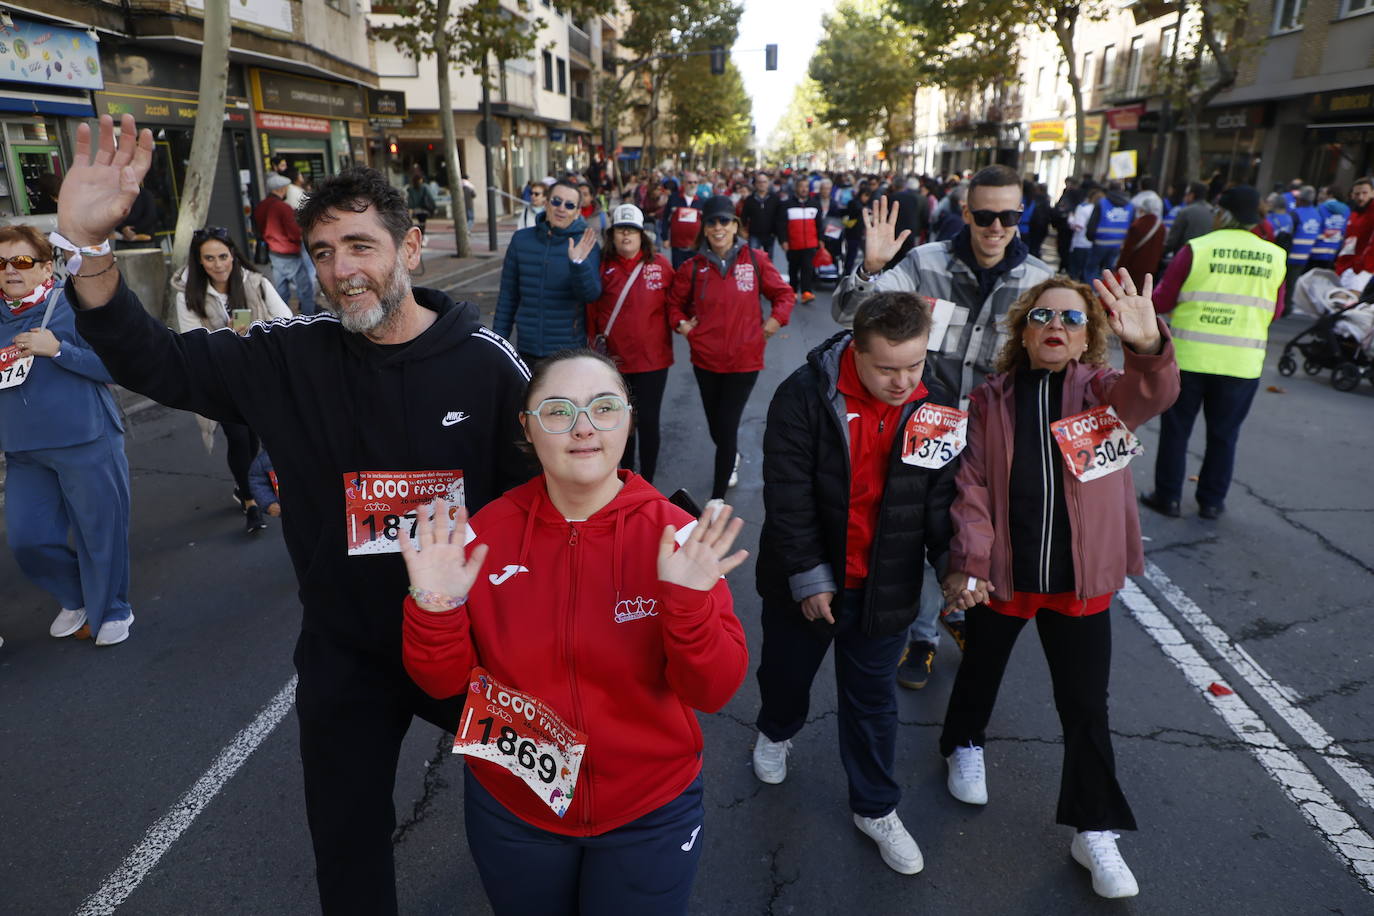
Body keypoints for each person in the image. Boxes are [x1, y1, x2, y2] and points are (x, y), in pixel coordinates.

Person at [58, 113, 531, 914]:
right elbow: (154, 361)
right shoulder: (289, 354)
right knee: (347, 844)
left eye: (360, 247)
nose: (341, 271)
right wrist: (90, 251)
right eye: (321, 253)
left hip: (470, 647)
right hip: (346, 655)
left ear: (409, 250)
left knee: (539, 800)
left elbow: (562, 502)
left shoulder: (489, 368)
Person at [399, 349, 749, 915]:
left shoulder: (677, 536)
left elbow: (714, 692)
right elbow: (440, 684)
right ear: (527, 428)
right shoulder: (483, 536)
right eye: (558, 411)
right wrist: (434, 605)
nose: (584, 427)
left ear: (629, 418)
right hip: (514, 805)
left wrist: (686, 607)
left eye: (604, 407)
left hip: (649, 812)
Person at [940, 271, 1179, 901]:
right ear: (1023, 330)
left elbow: (1153, 393)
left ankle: (1093, 828)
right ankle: (963, 743)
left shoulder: (1105, 392)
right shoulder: (989, 398)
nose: (1057, 327)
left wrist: (1149, 345)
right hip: (1007, 578)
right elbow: (971, 488)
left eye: (1073, 320)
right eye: (1043, 316)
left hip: (1080, 587)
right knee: (979, 671)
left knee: (1085, 709)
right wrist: (970, 561)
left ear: (1088, 338)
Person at [751, 291, 957, 876]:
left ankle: (875, 806)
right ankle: (775, 729)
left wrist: (953, 568)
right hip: (807, 577)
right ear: (854, 352)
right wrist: (810, 575)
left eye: (913, 366)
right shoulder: (804, 395)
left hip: (886, 582)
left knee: (872, 704)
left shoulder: (936, 400)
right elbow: (787, 496)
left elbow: (941, 499)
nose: (902, 381)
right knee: (787, 675)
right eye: (887, 368)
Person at [835, 163, 1054, 688]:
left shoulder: (1040, 284)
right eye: (984, 215)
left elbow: (1067, 360)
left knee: (977, 539)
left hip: (993, 440)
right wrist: (870, 269)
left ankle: (961, 620)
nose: (995, 227)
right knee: (922, 535)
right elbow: (850, 315)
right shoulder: (924, 264)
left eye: (1008, 216)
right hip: (923, 432)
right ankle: (923, 639)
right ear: (966, 213)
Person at [0, 224, 132, 646]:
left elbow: (119, 366)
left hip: (85, 438)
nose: (10, 270)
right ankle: (77, 596)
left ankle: (111, 607)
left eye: (21, 261)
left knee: (100, 531)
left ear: (45, 266)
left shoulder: (73, 306)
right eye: (1, 263)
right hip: (22, 448)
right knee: (28, 539)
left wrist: (57, 349)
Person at [1141, 185, 1286, 520]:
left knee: (1177, 430)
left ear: (1222, 214)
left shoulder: (1197, 249)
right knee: (1224, 436)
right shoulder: (1275, 255)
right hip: (1241, 363)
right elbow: (1276, 311)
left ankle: (1168, 497)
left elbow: (1162, 300)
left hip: (1190, 358)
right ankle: (1211, 501)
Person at [667, 195, 794, 500]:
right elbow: (673, 305)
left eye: (725, 220)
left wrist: (773, 323)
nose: (718, 227)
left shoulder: (756, 260)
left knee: (726, 424)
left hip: (744, 360)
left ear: (736, 225)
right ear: (704, 228)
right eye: (711, 221)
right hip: (705, 359)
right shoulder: (692, 266)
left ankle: (717, 498)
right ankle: (730, 455)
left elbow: (784, 295)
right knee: (716, 425)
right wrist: (682, 326)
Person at [172, 226, 293, 534]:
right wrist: (224, 338)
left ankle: (267, 488)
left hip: (262, 378)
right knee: (240, 439)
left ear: (233, 255)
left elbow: (286, 324)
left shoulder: (257, 283)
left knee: (264, 439)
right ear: (199, 262)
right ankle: (251, 501)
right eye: (209, 258)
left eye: (223, 256)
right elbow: (191, 343)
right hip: (222, 382)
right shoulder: (189, 296)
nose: (218, 264)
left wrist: (255, 333)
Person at [586, 204, 674, 483]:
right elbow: (591, 311)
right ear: (612, 235)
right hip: (614, 362)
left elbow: (679, 303)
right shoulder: (602, 267)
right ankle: (625, 477)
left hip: (653, 360)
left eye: (631, 230)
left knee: (648, 421)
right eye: (620, 230)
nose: (626, 235)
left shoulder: (660, 265)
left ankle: (647, 481)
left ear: (642, 235)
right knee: (621, 423)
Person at [494, 179, 601, 365]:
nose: (561, 208)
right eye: (556, 201)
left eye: (569, 205)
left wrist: (578, 263)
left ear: (577, 213)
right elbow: (507, 297)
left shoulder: (586, 244)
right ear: (546, 203)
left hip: (568, 351)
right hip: (527, 348)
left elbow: (591, 295)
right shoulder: (521, 240)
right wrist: (497, 344)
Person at [253, 173, 314, 312]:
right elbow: (295, 232)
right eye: (286, 188)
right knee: (305, 291)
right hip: (288, 252)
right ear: (281, 189)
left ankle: (283, 321)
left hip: (273, 252)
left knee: (281, 293)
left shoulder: (261, 206)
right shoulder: (282, 207)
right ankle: (309, 320)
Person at [777, 175, 821, 303]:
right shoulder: (787, 204)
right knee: (793, 268)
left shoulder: (814, 204)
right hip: (793, 244)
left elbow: (819, 224)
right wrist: (783, 240)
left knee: (807, 268)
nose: (804, 189)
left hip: (810, 243)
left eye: (806, 187)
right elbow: (781, 225)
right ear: (796, 188)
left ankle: (806, 292)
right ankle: (793, 291)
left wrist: (820, 239)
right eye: (801, 186)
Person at [1083, 182, 1135, 280]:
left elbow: (1092, 224)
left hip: (1100, 242)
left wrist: (1090, 237)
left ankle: (1092, 292)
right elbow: (1132, 226)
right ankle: (1105, 293)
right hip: (1118, 245)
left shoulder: (1102, 202)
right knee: (1110, 273)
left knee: (1091, 269)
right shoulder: (1130, 206)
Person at [1116, 193, 1166, 289]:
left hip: (1134, 268)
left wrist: (1120, 267)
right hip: (1151, 269)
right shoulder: (1161, 226)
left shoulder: (1138, 225)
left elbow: (1127, 249)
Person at [1335, 176, 1374, 282]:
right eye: (1357, 194)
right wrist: (1340, 267)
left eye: (1365, 193)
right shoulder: (1354, 214)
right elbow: (1349, 243)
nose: (1361, 197)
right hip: (1348, 269)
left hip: (1366, 272)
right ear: (1352, 195)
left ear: (1372, 193)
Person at [1164, 181, 1214, 256]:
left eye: (1186, 194)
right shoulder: (1212, 211)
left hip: (1184, 257)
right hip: (1203, 256)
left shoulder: (1185, 212)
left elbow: (1172, 242)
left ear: (1191, 195)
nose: (1185, 197)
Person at [406, 172, 437, 238]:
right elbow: (430, 197)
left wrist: (410, 210)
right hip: (424, 209)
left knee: (420, 222)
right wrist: (434, 207)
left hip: (417, 210)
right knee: (423, 223)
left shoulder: (411, 189)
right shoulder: (424, 187)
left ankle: (421, 235)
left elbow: (410, 201)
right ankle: (422, 235)